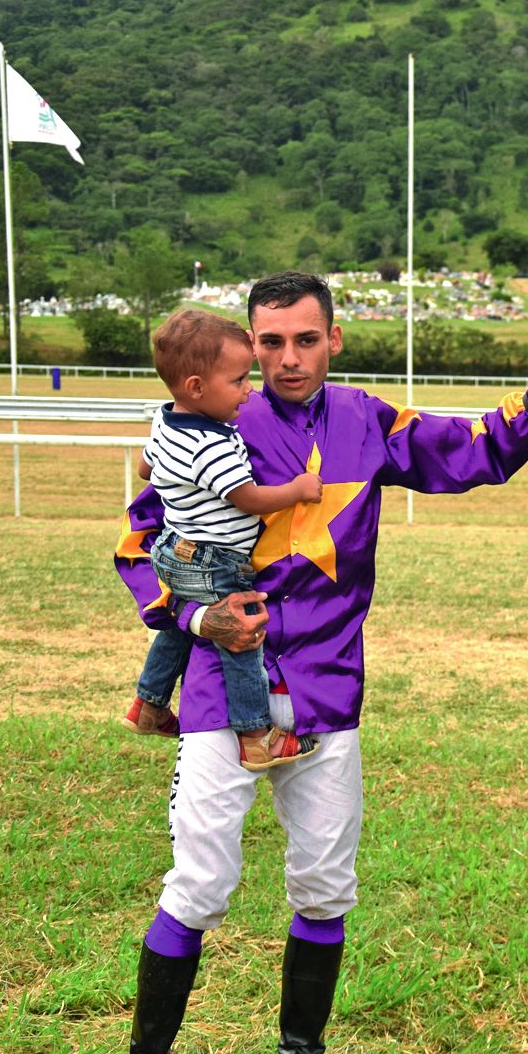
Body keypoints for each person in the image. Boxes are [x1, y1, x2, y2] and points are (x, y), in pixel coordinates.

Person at [99, 271, 528, 1054]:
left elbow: (471, 450)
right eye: (270, 343)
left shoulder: (367, 419)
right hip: (224, 686)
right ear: (248, 345)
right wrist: (191, 616)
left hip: (331, 690)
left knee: (325, 888)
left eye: (305, 340)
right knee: (200, 886)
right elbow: (141, 547)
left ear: (334, 340)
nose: (287, 359)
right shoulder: (209, 424)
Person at [121, 308, 323, 770]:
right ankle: (257, 736)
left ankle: (147, 704)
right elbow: (248, 498)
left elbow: (145, 468)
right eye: (238, 381)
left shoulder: (167, 420)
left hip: (173, 549)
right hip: (215, 560)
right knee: (242, 638)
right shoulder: (209, 446)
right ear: (196, 387)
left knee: (177, 629)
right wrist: (297, 489)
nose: (249, 390)